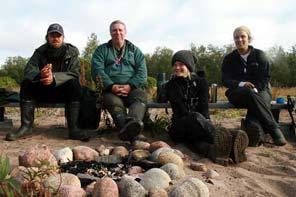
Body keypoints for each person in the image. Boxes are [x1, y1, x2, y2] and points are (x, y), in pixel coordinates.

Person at [5, 23, 89, 141]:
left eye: (58, 35)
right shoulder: (39, 52)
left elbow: (74, 73)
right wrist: (40, 75)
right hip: (43, 92)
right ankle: (26, 127)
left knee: (74, 83)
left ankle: (73, 129)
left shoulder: (72, 52)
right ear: (47, 37)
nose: (55, 38)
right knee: (26, 82)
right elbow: (28, 70)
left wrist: (54, 78)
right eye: (52, 35)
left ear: (63, 38)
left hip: (63, 94)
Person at [166, 50, 249, 165]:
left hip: (200, 127)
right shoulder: (171, 85)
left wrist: (204, 121)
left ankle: (220, 152)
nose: (177, 67)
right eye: (175, 65)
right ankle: (231, 137)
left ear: (189, 66)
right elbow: (182, 111)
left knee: (198, 141)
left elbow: (204, 108)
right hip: (180, 127)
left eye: (181, 64)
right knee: (195, 118)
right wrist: (203, 123)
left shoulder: (201, 82)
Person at [221, 26, 287, 146]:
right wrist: (241, 84)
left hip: (261, 90)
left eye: (243, 36)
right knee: (250, 94)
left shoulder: (260, 55)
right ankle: (274, 129)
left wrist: (255, 89)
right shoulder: (229, 59)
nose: (239, 40)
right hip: (238, 93)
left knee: (255, 101)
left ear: (249, 38)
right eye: (236, 37)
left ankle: (254, 131)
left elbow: (265, 78)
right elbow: (225, 80)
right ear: (233, 40)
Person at [91, 20, 147, 142]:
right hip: (110, 90)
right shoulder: (101, 50)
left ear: (125, 32)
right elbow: (97, 71)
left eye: (120, 30)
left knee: (141, 97)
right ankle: (132, 133)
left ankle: (132, 124)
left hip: (132, 89)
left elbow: (142, 72)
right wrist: (111, 86)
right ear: (110, 33)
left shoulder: (135, 50)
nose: (117, 33)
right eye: (114, 30)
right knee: (113, 102)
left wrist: (130, 86)